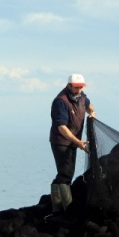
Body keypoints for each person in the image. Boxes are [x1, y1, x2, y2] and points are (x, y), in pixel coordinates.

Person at [49, 74, 96, 213]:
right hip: (61, 141)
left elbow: (89, 105)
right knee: (66, 173)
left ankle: (56, 207)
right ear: (68, 85)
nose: (79, 90)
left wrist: (92, 112)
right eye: (76, 87)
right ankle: (68, 208)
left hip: (74, 140)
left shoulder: (81, 96)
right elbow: (61, 127)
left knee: (63, 173)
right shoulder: (60, 101)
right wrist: (78, 142)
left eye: (81, 87)